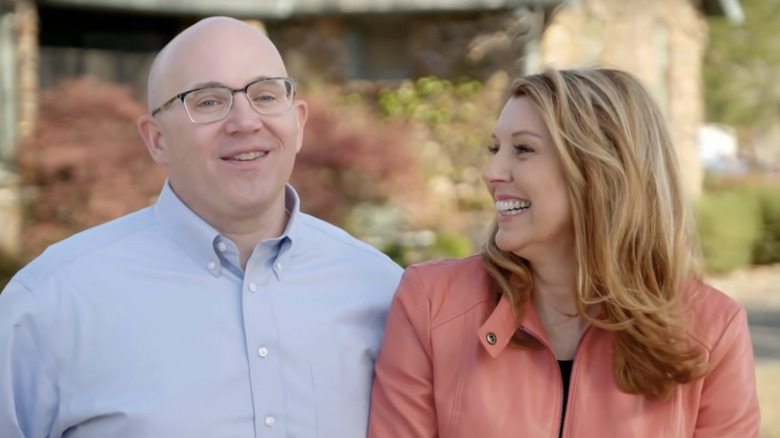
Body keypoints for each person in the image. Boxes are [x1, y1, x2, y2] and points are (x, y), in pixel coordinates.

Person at [0, 16, 402, 438]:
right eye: (208, 102)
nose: (246, 122)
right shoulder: (49, 305)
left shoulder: (380, 290)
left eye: (265, 95)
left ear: (298, 123)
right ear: (156, 139)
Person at [367, 67, 761, 437]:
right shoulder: (432, 301)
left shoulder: (711, 329)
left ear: (601, 172)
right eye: (495, 148)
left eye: (523, 149)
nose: (492, 172)